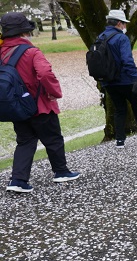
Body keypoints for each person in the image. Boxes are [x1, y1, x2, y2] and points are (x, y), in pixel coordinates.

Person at [1, 12, 80, 193]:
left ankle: (18, 180)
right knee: (53, 139)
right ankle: (61, 171)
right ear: (23, 33)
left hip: (15, 107)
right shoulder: (31, 51)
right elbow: (44, 74)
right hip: (40, 104)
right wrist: (54, 93)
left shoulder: (1, 52)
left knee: (25, 141)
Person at [98, 9, 137, 148]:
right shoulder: (121, 38)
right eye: (124, 23)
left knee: (119, 109)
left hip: (108, 81)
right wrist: (135, 78)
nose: (125, 26)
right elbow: (127, 60)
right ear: (119, 23)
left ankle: (120, 140)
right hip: (125, 80)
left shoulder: (100, 37)